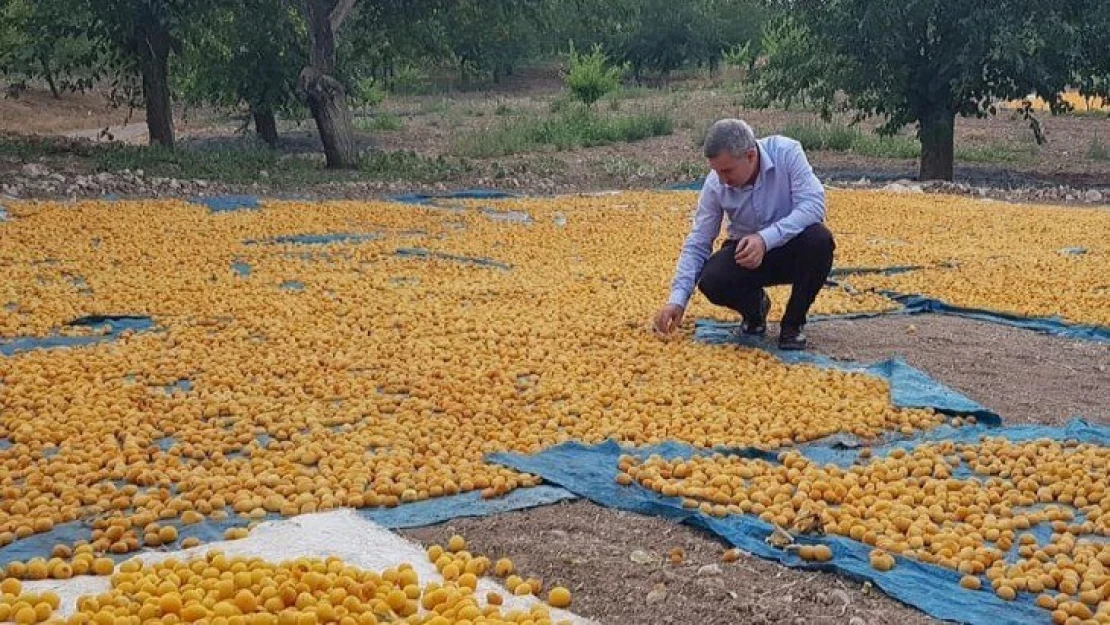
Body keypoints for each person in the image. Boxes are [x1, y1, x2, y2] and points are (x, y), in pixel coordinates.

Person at [653, 118, 835, 350]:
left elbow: (813, 205)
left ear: (750, 156)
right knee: (712, 279)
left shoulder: (787, 153)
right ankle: (755, 309)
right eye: (716, 171)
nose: (722, 180)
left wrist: (765, 239)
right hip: (747, 256)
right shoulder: (715, 184)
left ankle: (793, 324)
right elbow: (699, 241)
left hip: (792, 248)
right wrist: (677, 300)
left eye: (727, 171)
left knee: (819, 241)